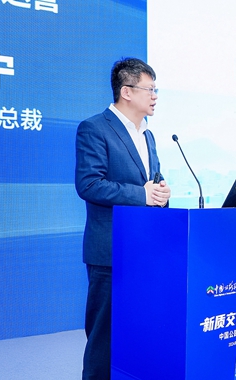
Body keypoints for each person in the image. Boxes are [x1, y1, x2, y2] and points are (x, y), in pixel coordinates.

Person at [75, 57, 171, 379]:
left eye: (156, 90)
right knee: (104, 340)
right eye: (150, 89)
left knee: (139, 334)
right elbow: (89, 184)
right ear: (126, 91)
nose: (155, 96)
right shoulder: (94, 128)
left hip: (144, 250)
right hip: (110, 251)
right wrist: (142, 195)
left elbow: (150, 181)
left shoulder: (148, 135)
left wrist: (160, 191)